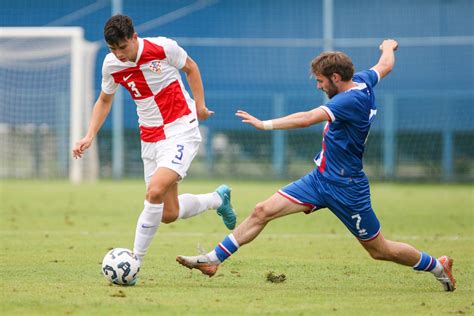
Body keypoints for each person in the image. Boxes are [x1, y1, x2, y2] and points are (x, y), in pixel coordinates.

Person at [176, 39, 456, 292]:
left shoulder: (351, 99)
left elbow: (308, 117)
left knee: (379, 250)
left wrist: (265, 124)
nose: (318, 86)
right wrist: (387, 47)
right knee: (262, 210)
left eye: (321, 81)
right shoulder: (362, 81)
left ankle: (437, 266)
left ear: (336, 77)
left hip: (347, 188)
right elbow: (385, 65)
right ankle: (213, 260)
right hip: (319, 179)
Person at [72, 14, 236, 265]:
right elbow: (105, 100)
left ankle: (134, 261)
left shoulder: (163, 47)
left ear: (134, 38)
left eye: (123, 47)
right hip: (150, 137)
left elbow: (191, 67)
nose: (119, 54)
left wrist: (200, 107)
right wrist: (89, 134)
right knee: (168, 213)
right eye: (113, 49)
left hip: (181, 128)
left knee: (155, 190)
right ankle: (217, 199)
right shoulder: (111, 65)